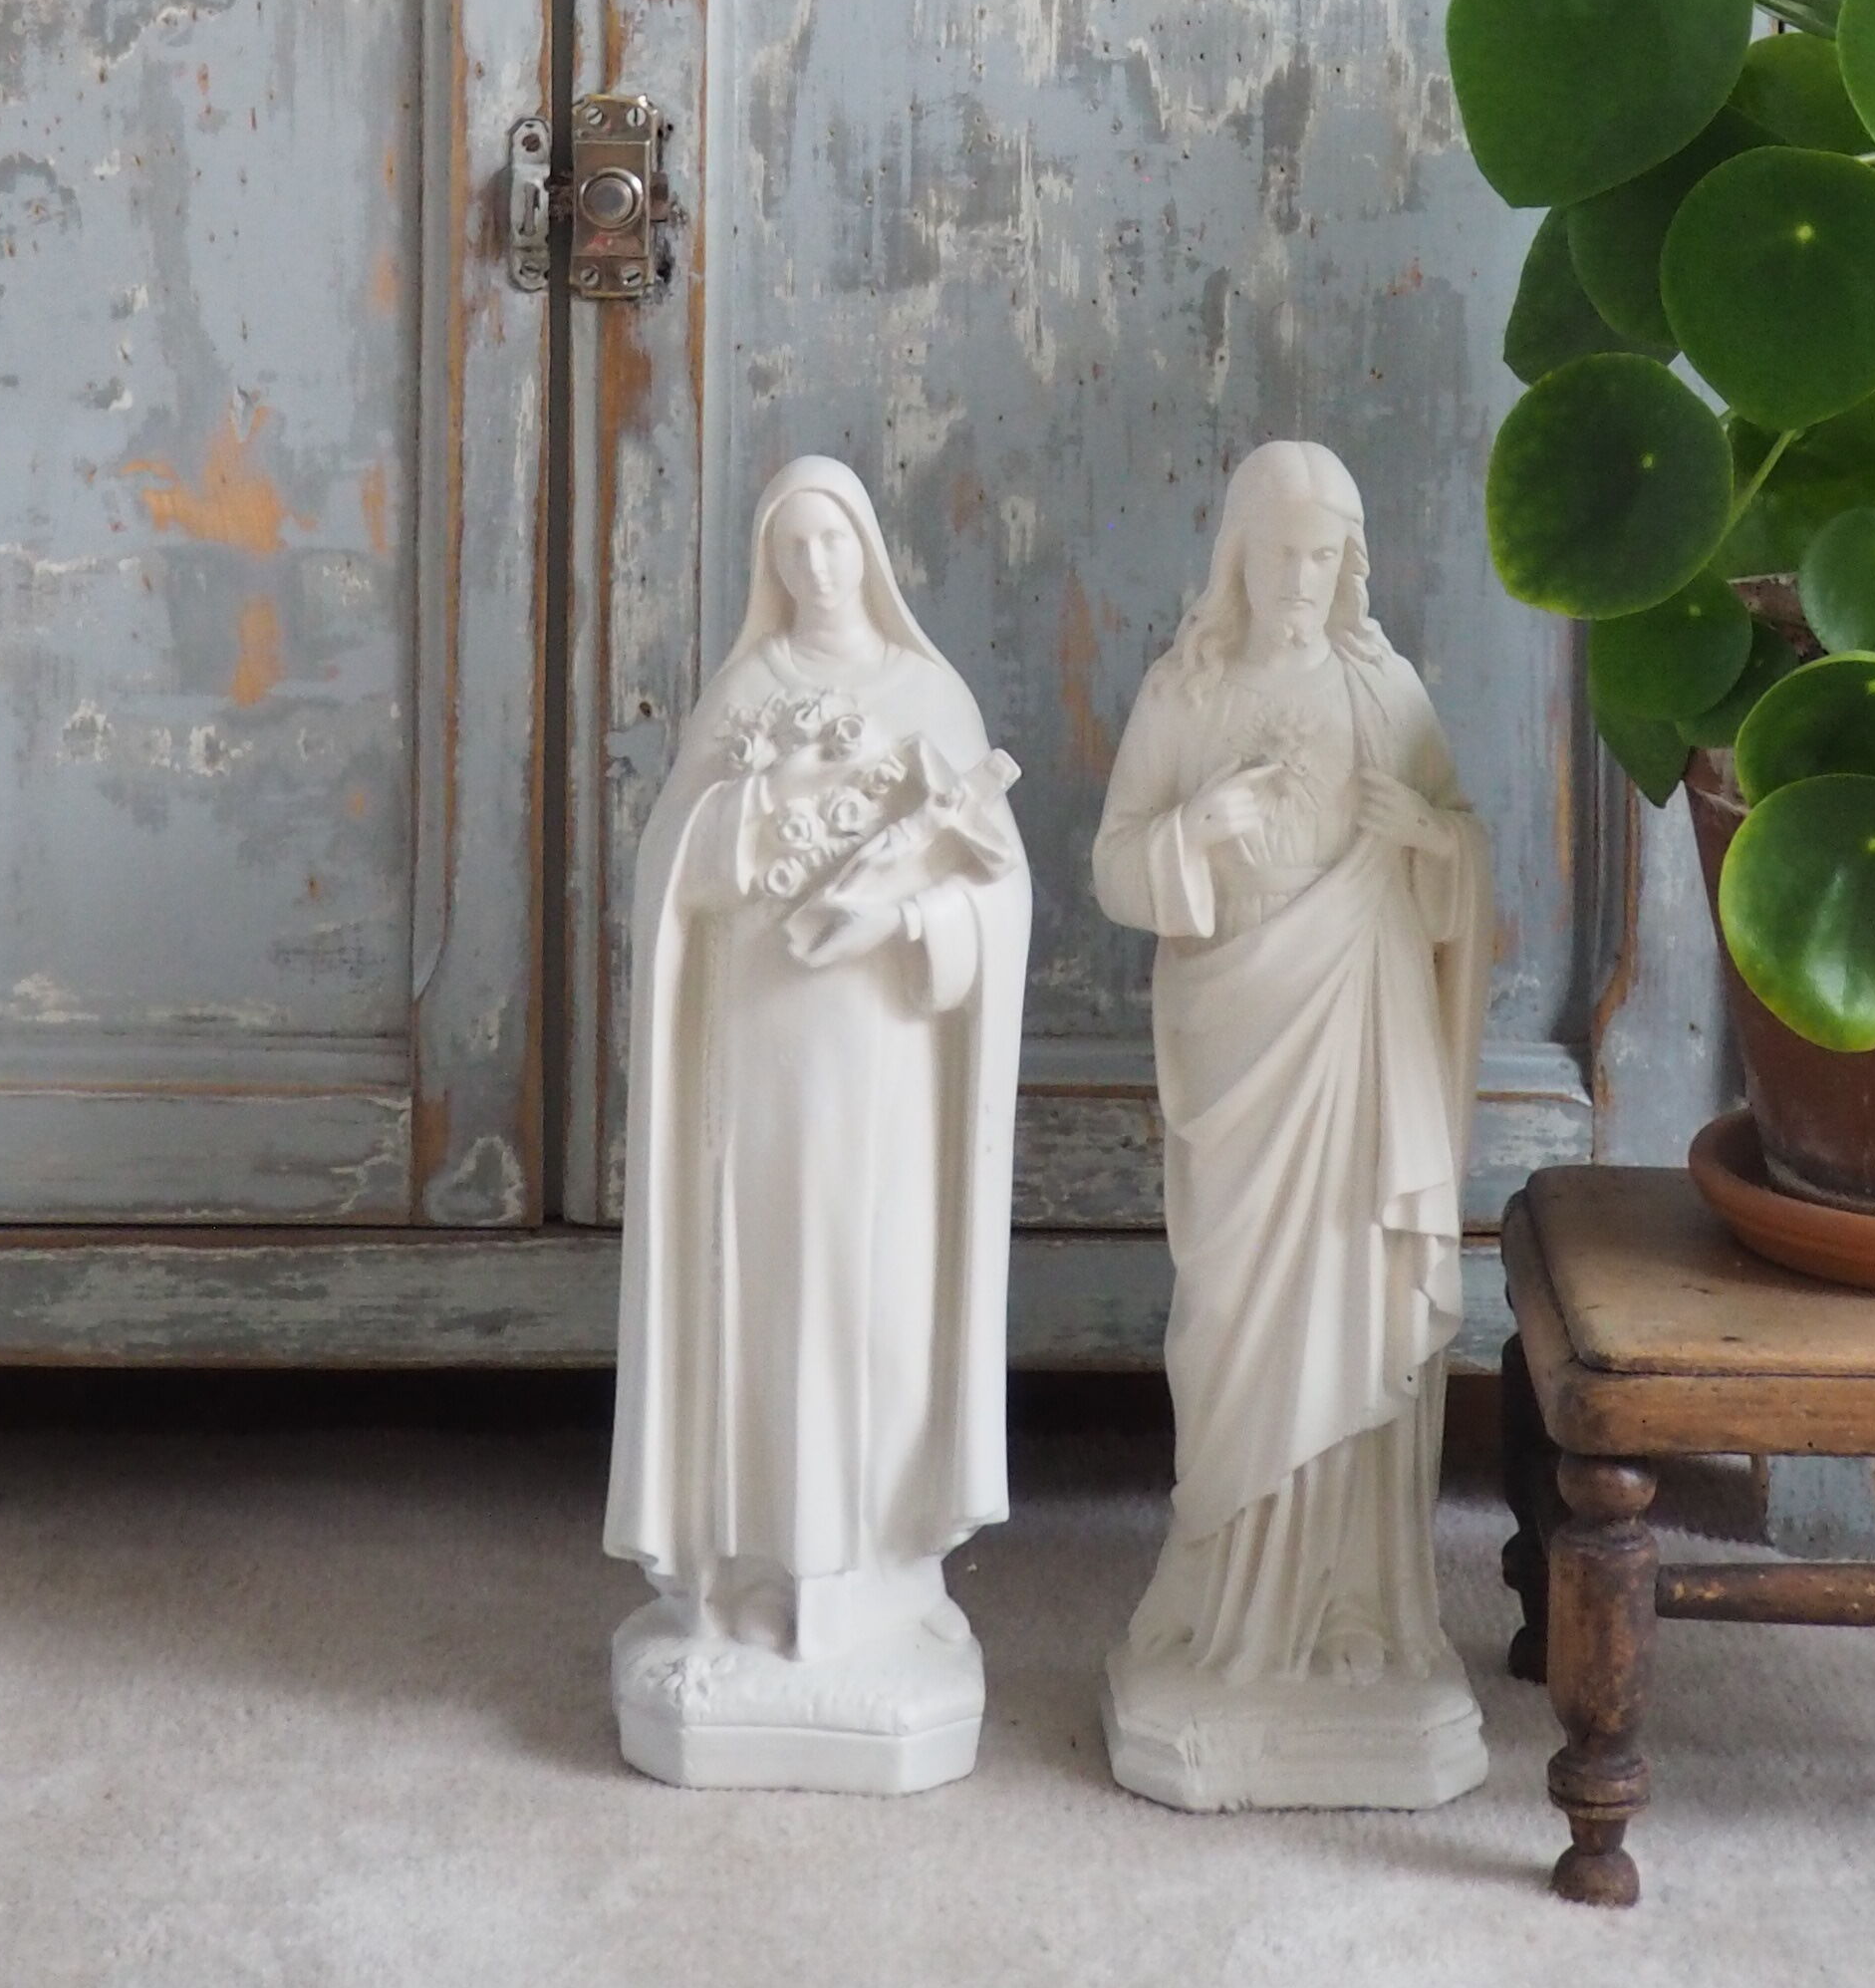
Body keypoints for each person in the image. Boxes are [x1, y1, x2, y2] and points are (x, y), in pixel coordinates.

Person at [606, 452, 1031, 1786]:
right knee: (759, 1296)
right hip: (760, 1053)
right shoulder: (744, 696)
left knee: (871, 1294)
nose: (816, 567)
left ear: (869, 551)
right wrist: (751, 815)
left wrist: (901, 917)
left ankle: (873, 1577)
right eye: (791, 549)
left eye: (833, 542)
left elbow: (999, 889)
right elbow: (672, 869)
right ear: (769, 567)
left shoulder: (928, 696)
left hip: (883, 1059)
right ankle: (751, 1576)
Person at [1091, 437, 1492, 1805]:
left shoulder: (1386, 691)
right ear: (1240, 561)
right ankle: (1231, 1616)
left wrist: (1428, 840)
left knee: (1356, 1307)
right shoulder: (1188, 690)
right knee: (1235, 1327)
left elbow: (1462, 858)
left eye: (1328, 557)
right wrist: (1199, 829)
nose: (1306, 581)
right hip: (1239, 1044)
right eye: (1283, 556)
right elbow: (1116, 864)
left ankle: (1354, 1615)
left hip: (1365, 1042)